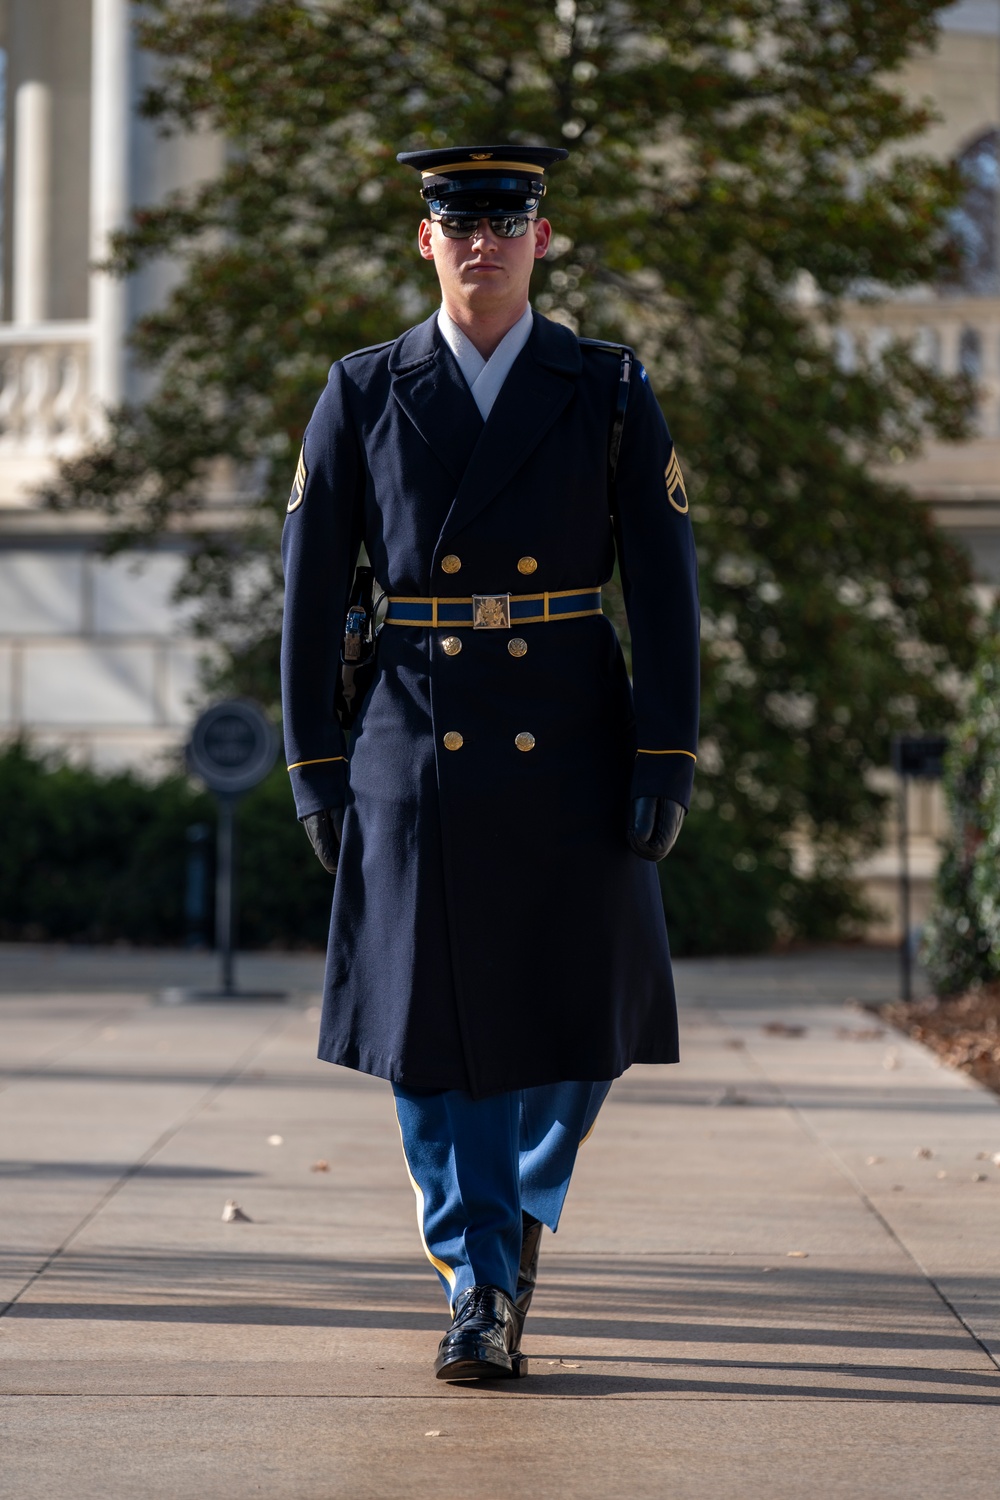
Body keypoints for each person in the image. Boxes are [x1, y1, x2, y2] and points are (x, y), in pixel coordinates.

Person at [280, 144, 699, 1382]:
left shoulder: (608, 387)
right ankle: (481, 1280)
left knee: (589, 1019)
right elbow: (308, 600)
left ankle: (512, 1204)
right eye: (457, 222)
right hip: (415, 735)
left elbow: (667, 590)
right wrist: (315, 763)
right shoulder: (361, 391)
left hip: (573, 726)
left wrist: (666, 756)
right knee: (428, 1028)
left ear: (542, 238)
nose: (482, 241)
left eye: (505, 221)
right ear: (426, 243)